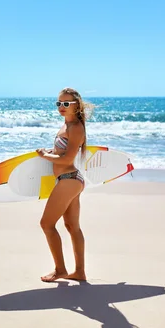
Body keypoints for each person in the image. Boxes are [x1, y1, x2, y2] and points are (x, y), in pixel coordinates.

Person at [35, 87, 94, 282]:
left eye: (66, 103)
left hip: (69, 179)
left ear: (76, 106)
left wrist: (45, 155)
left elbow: (68, 158)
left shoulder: (76, 127)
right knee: (72, 226)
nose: (61, 106)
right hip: (69, 180)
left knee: (46, 224)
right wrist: (52, 153)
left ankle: (60, 269)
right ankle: (79, 272)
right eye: (59, 103)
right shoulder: (65, 126)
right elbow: (62, 153)